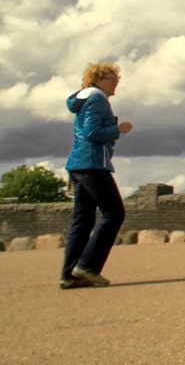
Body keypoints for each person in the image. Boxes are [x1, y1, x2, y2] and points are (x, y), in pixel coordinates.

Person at [60, 62, 134, 289]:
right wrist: (119, 130)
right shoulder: (97, 99)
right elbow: (92, 133)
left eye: (117, 81)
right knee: (114, 213)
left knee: (83, 220)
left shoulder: (84, 99)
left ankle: (69, 275)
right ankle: (87, 266)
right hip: (93, 165)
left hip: (79, 164)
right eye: (112, 80)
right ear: (98, 80)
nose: (115, 85)